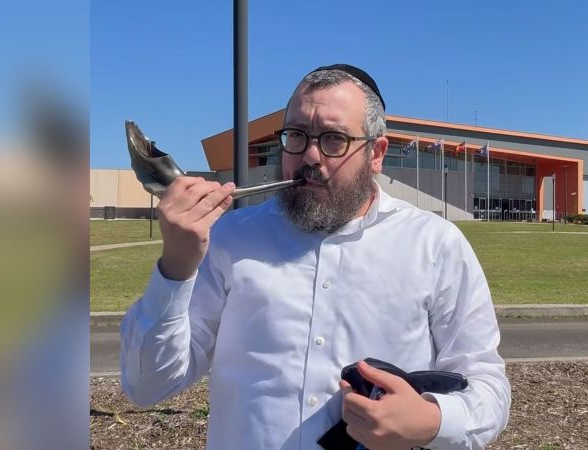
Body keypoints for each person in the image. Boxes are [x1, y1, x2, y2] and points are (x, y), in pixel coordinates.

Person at [120, 64, 511, 450]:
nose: (309, 155)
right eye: (296, 135)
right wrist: (176, 267)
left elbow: (486, 386)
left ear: (376, 153)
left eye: (333, 139)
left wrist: (430, 421)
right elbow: (147, 385)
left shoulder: (434, 244)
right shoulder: (231, 239)